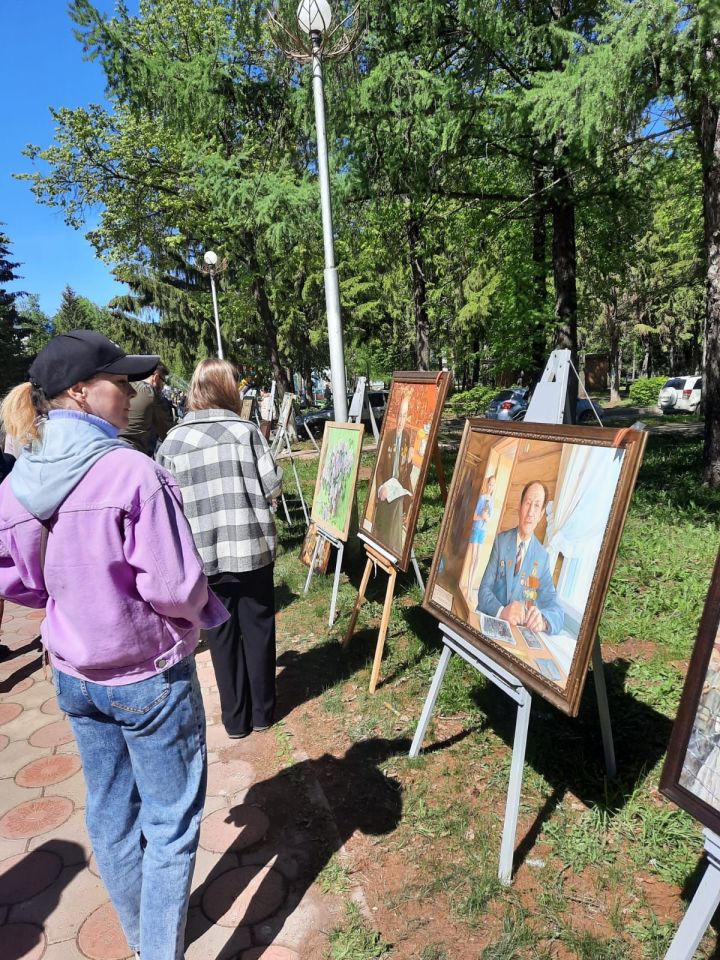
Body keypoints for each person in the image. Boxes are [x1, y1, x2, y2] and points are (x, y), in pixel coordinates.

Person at [0, 330, 227, 960]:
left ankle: (139, 941)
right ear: (79, 391)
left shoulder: (16, 484)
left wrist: (70, 605)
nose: (130, 393)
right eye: (119, 382)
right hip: (147, 678)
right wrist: (198, 615)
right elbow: (178, 587)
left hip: (73, 674)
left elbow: (16, 582)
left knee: (110, 814)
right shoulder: (131, 472)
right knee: (170, 823)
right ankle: (158, 950)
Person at [157, 359, 282, 740]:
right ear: (228, 389)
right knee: (259, 628)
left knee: (221, 635)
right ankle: (263, 713)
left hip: (204, 557)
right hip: (252, 548)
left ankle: (235, 720)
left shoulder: (173, 441)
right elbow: (273, 485)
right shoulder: (246, 432)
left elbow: (165, 504)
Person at [477, 480, 564, 635]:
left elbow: (556, 609)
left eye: (537, 506)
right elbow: (484, 590)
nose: (530, 512)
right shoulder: (501, 541)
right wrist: (502, 612)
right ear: (520, 506)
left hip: (515, 635)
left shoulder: (542, 558)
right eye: (528, 503)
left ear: (541, 514)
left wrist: (543, 621)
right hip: (490, 621)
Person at [369, 392, 415, 557]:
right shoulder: (388, 436)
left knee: (401, 505)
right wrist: (382, 486)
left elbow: (406, 473)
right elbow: (380, 467)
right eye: (400, 416)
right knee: (383, 522)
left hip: (400, 486)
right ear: (396, 417)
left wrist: (410, 461)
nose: (402, 421)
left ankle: (393, 554)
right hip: (386, 485)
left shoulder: (407, 437)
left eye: (405, 416)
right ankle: (381, 551)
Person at [120, 361, 173, 455]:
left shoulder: (123, 386)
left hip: (109, 448)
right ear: (156, 378)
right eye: (163, 381)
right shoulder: (150, 393)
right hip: (134, 454)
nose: (163, 386)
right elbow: (168, 433)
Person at [461, 473, 495, 596]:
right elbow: (474, 516)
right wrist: (482, 516)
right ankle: (469, 588)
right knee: (473, 558)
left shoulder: (492, 501)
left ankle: (471, 588)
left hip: (483, 532)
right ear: (487, 484)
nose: (491, 487)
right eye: (490, 484)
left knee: (478, 559)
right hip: (476, 529)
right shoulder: (481, 498)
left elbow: (490, 518)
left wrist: (487, 518)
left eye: (493, 485)